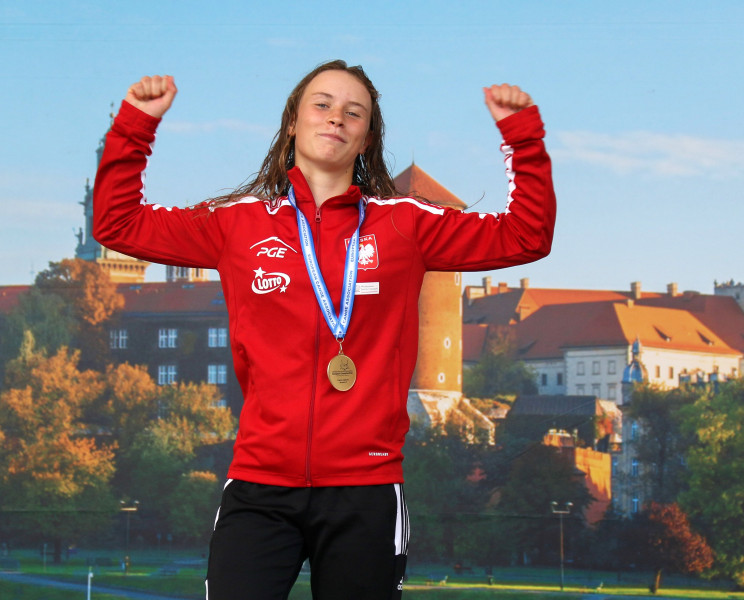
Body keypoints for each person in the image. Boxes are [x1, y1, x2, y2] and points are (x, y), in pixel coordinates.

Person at [93, 59, 555, 600]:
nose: (336, 117)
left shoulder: (406, 223)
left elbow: (527, 236)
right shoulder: (236, 223)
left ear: (366, 138)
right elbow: (116, 223)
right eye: (322, 104)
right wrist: (136, 125)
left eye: (353, 111)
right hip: (260, 485)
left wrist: (521, 138)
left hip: (367, 490)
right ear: (293, 123)